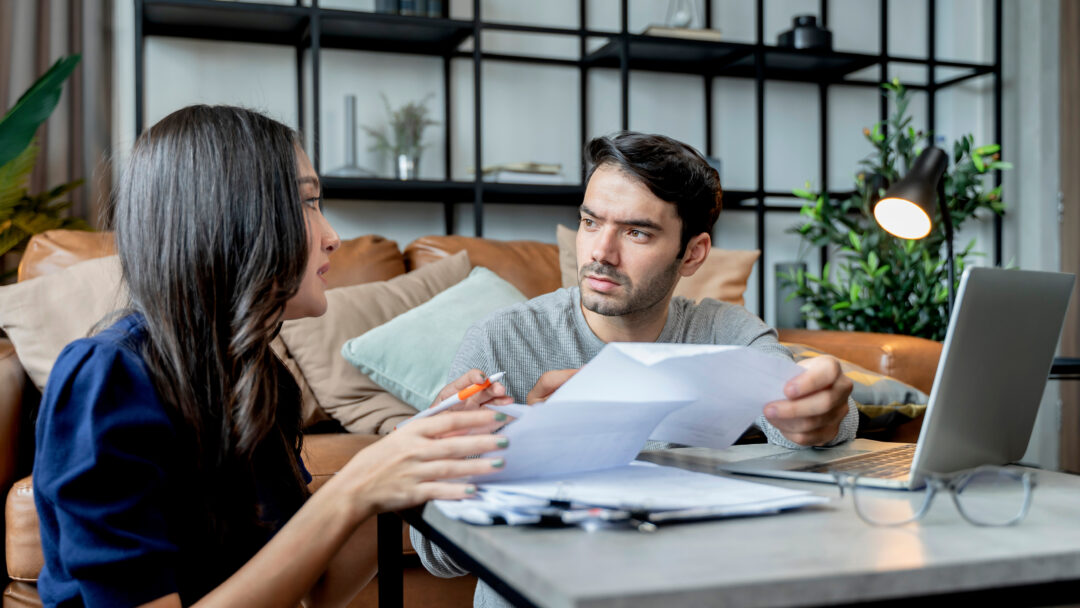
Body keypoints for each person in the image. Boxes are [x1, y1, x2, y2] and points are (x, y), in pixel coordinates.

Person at [32, 105, 511, 608]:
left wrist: (415, 461)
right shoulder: (107, 380)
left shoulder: (262, 378)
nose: (332, 236)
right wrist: (356, 484)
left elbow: (315, 592)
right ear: (229, 216)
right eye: (308, 203)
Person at [411, 131, 858, 607]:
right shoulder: (502, 339)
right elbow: (437, 554)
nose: (601, 252)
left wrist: (824, 413)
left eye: (636, 231)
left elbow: (802, 419)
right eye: (590, 222)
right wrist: (531, 448)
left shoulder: (724, 330)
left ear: (692, 253)